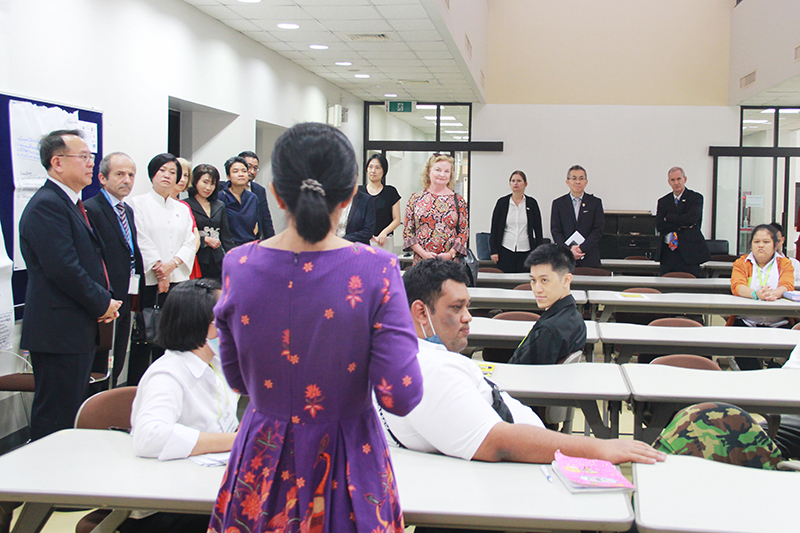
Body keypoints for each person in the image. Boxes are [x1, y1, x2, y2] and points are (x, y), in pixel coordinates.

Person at [209, 122, 423, 533]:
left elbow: (237, 379)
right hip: (346, 463)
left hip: (262, 458)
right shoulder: (376, 268)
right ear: (349, 195)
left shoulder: (238, 264)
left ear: (274, 193)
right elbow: (401, 394)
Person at [18, 130, 121, 440]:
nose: (91, 164)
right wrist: (101, 303)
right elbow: (64, 269)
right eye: (84, 157)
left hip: (74, 325)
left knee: (71, 408)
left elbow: (89, 261)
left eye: (91, 157)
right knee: (57, 413)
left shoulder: (71, 203)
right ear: (57, 163)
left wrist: (103, 301)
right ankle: (45, 480)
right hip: (57, 329)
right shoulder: (47, 206)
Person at [125, 278, 237, 533]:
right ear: (198, 324)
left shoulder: (216, 366)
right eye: (224, 318)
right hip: (167, 508)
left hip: (203, 485)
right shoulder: (168, 374)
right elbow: (149, 437)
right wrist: (236, 440)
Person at [128, 154, 196, 385]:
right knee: (145, 337)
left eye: (173, 172)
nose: (167, 176)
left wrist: (172, 265)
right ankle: (135, 391)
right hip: (149, 281)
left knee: (171, 339)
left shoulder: (182, 208)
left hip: (177, 280)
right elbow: (141, 239)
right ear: (152, 174)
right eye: (162, 171)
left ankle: (167, 386)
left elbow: (189, 241)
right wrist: (160, 270)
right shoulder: (137, 204)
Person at [84, 152, 144, 388]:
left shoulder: (126, 210)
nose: (127, 180)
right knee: (101, 363)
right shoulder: (92, 209)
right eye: (120, 174)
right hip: (104, 297)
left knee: (118, 358)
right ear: (102, 177)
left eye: (131, 175)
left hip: (126, 295)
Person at [729, 224, 795, 370]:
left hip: (778, 323)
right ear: (751, 244)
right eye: (756, 242)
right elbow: (737, 286)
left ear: (775, 245)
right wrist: (755, 294)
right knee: (746, 360)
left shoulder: (784, 263)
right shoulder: (742, 263)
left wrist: (775, 293)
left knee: (784, 360)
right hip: (747, 321)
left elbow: (787, 284)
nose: (761, 246)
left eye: (766, 242)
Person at [509, 244, 586, 366]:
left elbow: (528, 376)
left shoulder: (548, 331)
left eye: (544, 280)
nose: (537, 289)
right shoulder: (575, 318)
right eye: (533, 280)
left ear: (566, 280)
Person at [404, 153, 468, 264]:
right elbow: (408, 232)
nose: (442, 174)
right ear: (428, 172)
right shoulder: (415, 199)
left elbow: (463, 232)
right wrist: (424, 254)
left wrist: (450, 254)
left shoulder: (458, 200)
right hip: (422, 263)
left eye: (446, 171)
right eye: (438, 170)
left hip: (450, 263)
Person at [655, 167, 711, 277]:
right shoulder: (663, 201)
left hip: (689, 252)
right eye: (673, 180)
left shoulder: (695, 198)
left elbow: (691, 219)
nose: (676, 183)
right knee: (666, 285)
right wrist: (682, 223)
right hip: (668, 253)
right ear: (669, 182)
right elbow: (660, 226)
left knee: (691, 286)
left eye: (679, 179)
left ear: (685, 179)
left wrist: (669, 218)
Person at [185, 164, 235, 281]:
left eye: (212, 184)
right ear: (195, 182)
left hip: (217, 259)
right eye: (205, 182)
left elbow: (226, 237)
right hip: (196, 259)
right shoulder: (185, 205)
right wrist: (204, 240)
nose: (208, 187)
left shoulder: (219, 205)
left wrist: (234, 258)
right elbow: (184, 236)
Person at [550, 165, 605, 268]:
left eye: (581, 178)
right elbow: (556, 230)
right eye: (574, 178)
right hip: (565, 258)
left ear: (586, 182)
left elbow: (598, 229)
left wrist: (581, 248)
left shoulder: (595, 203)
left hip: (589, 257)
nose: (578, 182)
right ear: (567, 181)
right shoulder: (558, 204)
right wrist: (569, 250)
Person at [489, 170, 543, 273]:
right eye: (513, 181)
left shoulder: (532, 203)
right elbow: (494, 228)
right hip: (506, 249)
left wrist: (539, 253)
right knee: (506, 281)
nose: (515, 183)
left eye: (519, 180)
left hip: (526, 250)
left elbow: (538, 230)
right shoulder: (502, 202)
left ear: (525, 184)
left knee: (523, 281)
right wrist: (494, 251)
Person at [360, 153, 401, 252]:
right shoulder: (358, 192)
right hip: (363, 241)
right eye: (370, 167)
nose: (373, 171)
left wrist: (384, 232)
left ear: (384, 171)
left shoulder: (390, 192)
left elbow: (397, 219)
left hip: (384, 241)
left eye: (377, 168)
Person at [219, 155, 259, 247]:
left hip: (249, 247)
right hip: (227, 248)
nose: (241, 174)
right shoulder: (221, 197)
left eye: (244, 171)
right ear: (228, 176)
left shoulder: (253, 198)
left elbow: (255, 225)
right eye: (235, 171)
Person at [238, 150, 275, 238]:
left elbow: (266, 219)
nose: (252, 172)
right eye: (248, 167)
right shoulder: (224, 190)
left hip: (253, 239)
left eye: (255, 168)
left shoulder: (259, 190)